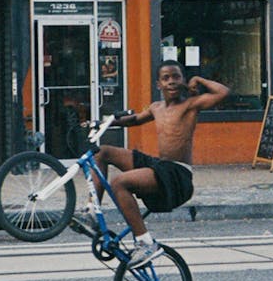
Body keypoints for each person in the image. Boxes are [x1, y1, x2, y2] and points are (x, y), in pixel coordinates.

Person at [90, 61, 230, 268]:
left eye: (176, 77)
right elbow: (135, 119)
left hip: (177, 174)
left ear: (183, 80)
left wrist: (198, 79)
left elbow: (223, 92)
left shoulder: (191, 105)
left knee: (119, 183)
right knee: (102, 152)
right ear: (159, 84)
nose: (172, 82)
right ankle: (93, 209)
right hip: (160, 165)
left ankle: (145, 243)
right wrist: (107, 123)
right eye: (166, 78)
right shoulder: (156, 108)